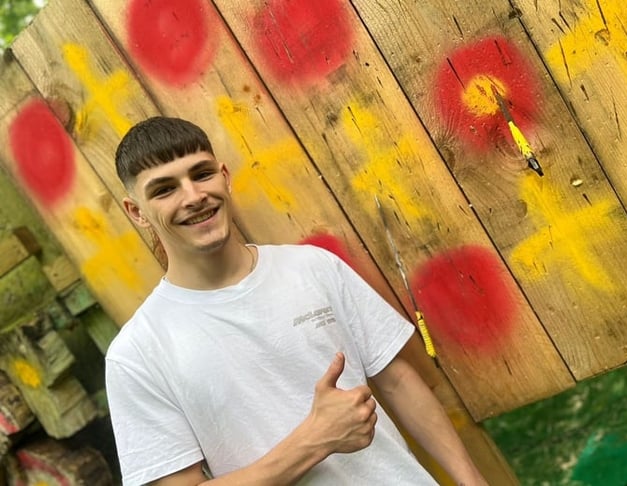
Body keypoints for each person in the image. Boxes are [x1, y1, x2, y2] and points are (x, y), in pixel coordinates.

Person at [105, 116, 489, 485]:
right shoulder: (137, 355)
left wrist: (472, 481)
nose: (194, 196)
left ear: (224, 177)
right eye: (165, 189)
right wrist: (315, 439)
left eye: (201, 174)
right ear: (136, 212)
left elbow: (396, 380)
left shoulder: (312, 267)